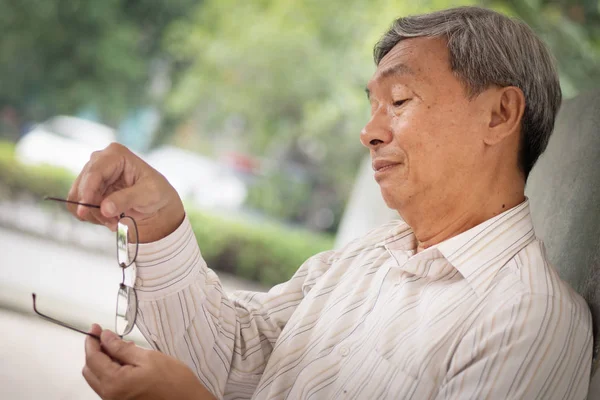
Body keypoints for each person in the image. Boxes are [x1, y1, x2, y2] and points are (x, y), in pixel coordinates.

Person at [72, 6, 592, 400]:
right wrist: (160, 222)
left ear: (500, 115)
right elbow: (235, 356)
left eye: (400, 101)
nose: (369, 132)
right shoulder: (367, 259)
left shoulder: (528, 322)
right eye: (372, 107)